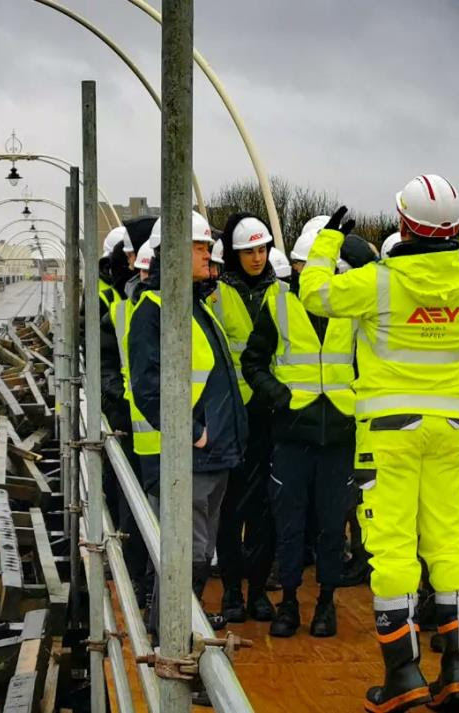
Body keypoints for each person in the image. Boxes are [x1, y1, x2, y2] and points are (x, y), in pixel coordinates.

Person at [299, 175, 459, 713]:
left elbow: (314, 292)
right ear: (454, 227)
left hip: (389, 432)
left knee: (393, 547)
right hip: (453, 432)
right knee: (449, 541)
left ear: (403, 224)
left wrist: (328, 237)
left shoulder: (378, 283)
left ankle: (403, 674)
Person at [243, 225, 373, 639]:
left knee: (333, 527)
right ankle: (289, 605)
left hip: (337, 434)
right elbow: (253, 361)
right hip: (293, 436)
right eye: (303, 264)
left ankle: (326, 604)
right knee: (290, 524)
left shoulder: (349, 305)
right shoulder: (277, 303)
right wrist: (276, 396)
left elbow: (369, 361)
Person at [127, 211, 248, 631]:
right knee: (188, 553)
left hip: (215, 455)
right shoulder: (153, 310)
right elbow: (147, 388)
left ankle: (182, 627)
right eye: (199, 247)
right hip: (191, 457)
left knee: (199, 550)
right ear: (174, 251)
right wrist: (193, 434)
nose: (208, 255)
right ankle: (172, 637)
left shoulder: (196, 305)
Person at [209, 214, 279, 624]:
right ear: (234, 255)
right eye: (249, 251)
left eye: (262, 249)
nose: (257, 257)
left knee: (265, 510)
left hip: (270, 414)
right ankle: (232, 592)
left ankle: (257, 592)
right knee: (231, 509)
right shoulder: (217, 295)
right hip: (232, 416)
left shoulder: (281, 294)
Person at [98, 223, 151, 606]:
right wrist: (126, 400)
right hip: (128, 423)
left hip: (164, 429)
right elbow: (105, 367)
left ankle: (150, 584)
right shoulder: (116, 311)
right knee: (132, 504)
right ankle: (138, 581)